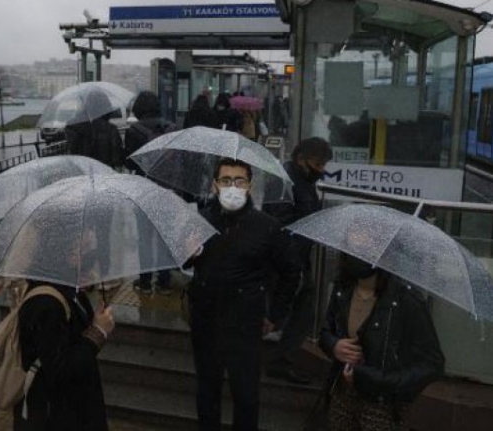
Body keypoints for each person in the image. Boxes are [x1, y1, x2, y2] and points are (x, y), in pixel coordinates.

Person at [186, 158, 300, 431]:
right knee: (206, 391)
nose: (232, 187)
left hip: (245, 323)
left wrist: (275, 315)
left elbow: (291, 272)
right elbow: (185, 262)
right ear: (215, 185)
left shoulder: (267, 226)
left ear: (249, 186)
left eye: (239, 181)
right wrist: (187, 252)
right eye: (226, 180)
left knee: (246, 395)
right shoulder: (199, 221)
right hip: (206, 320)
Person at [319, 253, 445, 430]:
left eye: (366, 239)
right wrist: (334, 345)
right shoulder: (343, 287)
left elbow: (432, 364)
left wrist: (376, 380)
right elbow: (326, 331)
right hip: (342, 397)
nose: (358, 245)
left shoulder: (405, 298)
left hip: (382, 406)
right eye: (354, 235)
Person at [13, 232, 115, 431]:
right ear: (56, 250)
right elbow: (60, 371)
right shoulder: (46, 304)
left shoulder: (65, 285)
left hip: (75, 407)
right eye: (75, 243)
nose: (86, 243)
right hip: (57, 416)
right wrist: (98, 332)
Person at [263, 137, 333, 385]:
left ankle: (281, 358)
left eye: (323, 164)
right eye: (317, 163)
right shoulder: (283, 181)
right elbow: (280, 224)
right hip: (286, 261)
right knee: (278, 312)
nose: (321, 170)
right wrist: (293, 267)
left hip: (299, 259)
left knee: (301, 310)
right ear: (300, 158)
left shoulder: (304, 180)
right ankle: (269, 358)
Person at [123, 90, 177, 295]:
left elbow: (128, 161)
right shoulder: (171, 128)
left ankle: (144, 282)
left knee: (144, 237)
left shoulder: (134, 131)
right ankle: (164, 282)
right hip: (167, 189)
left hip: (143, 190)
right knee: (165, 236)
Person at [64, 89, 123, 170]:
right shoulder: (111, 129)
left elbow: (72, 152)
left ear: (87, 106)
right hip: (105, 173)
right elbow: (117, 158)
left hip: (82, 171)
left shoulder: (74, 127)